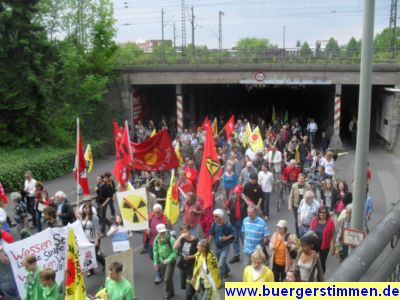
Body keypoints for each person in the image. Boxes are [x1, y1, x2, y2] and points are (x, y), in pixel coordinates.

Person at [76, 203, 105, 277]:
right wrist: (77, 207)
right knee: (88, 255)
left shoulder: (94, 217)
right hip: (86, 239)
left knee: (94, 255)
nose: (86, 209)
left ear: (90, 209)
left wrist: (96, 240)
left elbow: (97, 229)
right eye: (84, 208)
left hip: (94, 239)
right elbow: (78, 218)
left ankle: (105, 263)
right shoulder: (83, 216)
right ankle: (91, 270)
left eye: (87, 208)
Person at [227, 185, 251, 264]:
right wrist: (224, 197)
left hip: (243, 222)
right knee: (235, 238)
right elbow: (226, 206)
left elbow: (251, 206)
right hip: (234, 221)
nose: (237, 194)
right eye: (236, 192)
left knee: (244, 238)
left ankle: (248, 254)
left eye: (238, 193)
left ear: (241, 193)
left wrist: (244, 198)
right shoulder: (231, 199)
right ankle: (236, 255)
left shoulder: (245, 199)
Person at [173, 224, 198, 300]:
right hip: (183, 264)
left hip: (192, 266)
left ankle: (191, 294)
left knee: (189, 288)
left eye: (185, 232)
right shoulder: (182, 238)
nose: (184, 234)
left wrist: (190, 257)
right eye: (182, 232)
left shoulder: (195, 241)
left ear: (190, 231)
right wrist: (180, 237)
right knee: (183, 284)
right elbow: (175, 247)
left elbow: (199, 254)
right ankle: (194, 292)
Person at [153, 224, 177, 299]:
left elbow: (175, 252)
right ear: (158, 232)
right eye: (160, 232)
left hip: (170, 261)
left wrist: (169, 259)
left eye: (163, 232)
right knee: (167, 278)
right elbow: (155, 251)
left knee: (166, 279)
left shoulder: (171, 240)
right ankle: (172, 292)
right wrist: (156, 262)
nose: (162, 234)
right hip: (161, 260)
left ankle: (167, 294)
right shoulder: (156, 239)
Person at [209, 209, 234, 278]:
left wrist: (225, 238)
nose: (214, 218)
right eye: (214, 216)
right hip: (217, 247)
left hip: (225, 247)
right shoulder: (213, 225)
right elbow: (211, 235)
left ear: (220, 217)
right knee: (221, 261)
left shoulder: (227, 226)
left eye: (216, 216)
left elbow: (232, 234)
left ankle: (220, 277)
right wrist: (208, 244)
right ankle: (226, 270)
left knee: (220, 264)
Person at [310, 205, 336, 273]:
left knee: (322, 264)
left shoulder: (330, 222)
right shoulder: (314, 220)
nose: (322, 214)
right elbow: (311, 231)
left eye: (324, 212)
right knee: (312, 262)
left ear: (326, 213)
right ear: (318, 213)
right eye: (320, 212)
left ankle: (320, 278)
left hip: (324, 247)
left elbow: (333, 234)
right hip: (314, 245)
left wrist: (333, 246)